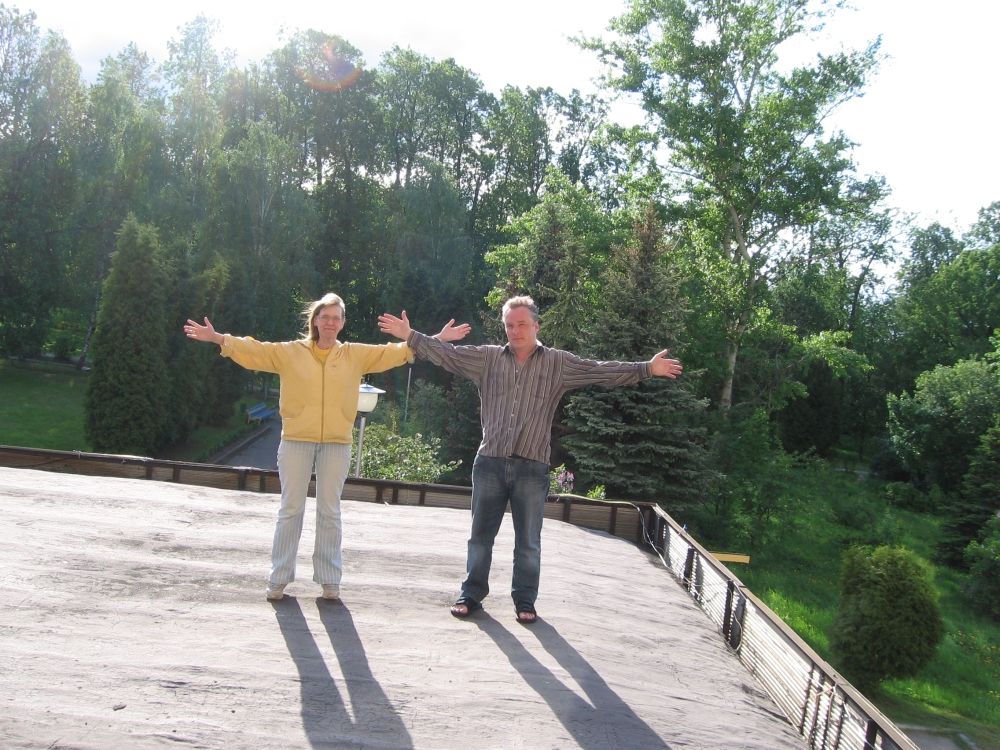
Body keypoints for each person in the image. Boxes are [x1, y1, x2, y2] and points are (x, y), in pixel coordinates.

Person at [378, 296, 683, 623]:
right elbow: (446, 354)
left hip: (532, 468)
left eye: (522, 324)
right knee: (480, 538)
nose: (515, 331)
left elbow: (600, 371)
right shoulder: (487, 358)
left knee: (528, 543)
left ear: (536, 326)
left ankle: (525, 601)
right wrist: (411, 336)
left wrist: (646, 368)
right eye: (509, 325)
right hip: (490, 463)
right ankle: (471, 594)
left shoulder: (558, 363)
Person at [184, 294, 470, 601]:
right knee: (290, 510)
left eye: (336, 318)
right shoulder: (290, 352)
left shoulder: (353, 354)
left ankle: (329, 581)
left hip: (336, 443)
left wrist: (438, 338)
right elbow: (255, 351)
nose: (331, 323)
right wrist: (218, 338)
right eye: (325, 317)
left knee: (329, 512)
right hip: (296, 441)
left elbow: (396, 352)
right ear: (316, 321)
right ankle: (278, 579)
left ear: (342, 323)